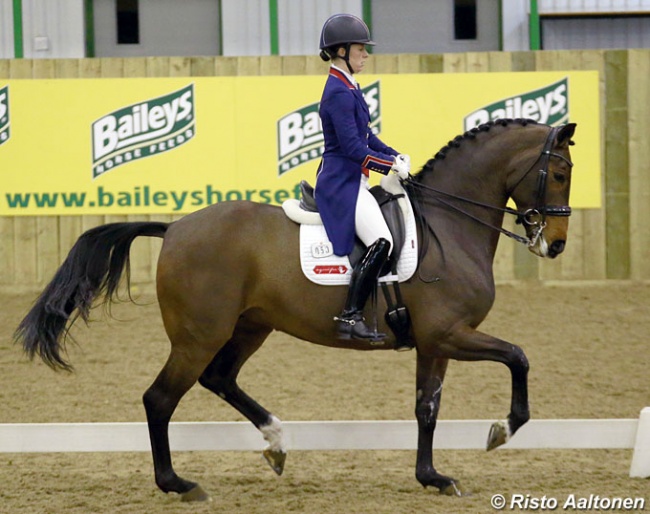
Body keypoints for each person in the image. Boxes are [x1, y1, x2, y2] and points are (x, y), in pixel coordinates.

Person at [314, 13, 411, 342]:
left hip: (352, 178)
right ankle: (350, 316)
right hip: (342, 182)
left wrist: (394, 155)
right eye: (360, 49)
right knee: (382, 242)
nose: (366, 54)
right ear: (341, 51)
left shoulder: (348, 86)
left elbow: (366, 136)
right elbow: (355, 149)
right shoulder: (339, 93)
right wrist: (388, 166)